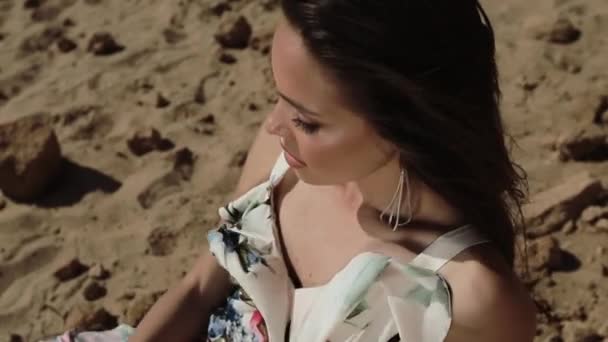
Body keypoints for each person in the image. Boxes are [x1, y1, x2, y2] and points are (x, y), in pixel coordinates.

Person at [43, 0, 537, 341]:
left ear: (403, 126)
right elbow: (198, 292)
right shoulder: (288, 164)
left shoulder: (470, 298)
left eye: (306, 120)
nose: (276, 126)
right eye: (279, 96)